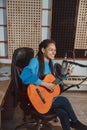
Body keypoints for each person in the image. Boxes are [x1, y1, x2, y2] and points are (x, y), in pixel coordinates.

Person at [20, 39, 87, 130]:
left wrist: (65, 76)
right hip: (34, 98)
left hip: (46, 99)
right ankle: (75, 122)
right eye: (51, 50)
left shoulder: (51, 63)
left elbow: (54, 83)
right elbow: (24, 75)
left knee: (62, 112)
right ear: (43, 50)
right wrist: (44, 84)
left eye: (54, 50)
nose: (54, 52)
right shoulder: (35, 61)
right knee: (63, 100)